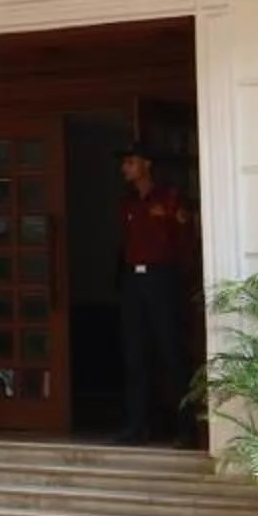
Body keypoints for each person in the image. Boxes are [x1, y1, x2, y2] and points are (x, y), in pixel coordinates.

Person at [114, 145, 193, 445]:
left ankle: (185, 428)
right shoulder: (127, 204)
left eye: (130, 162)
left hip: (163, 278)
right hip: (134, 280)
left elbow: (184, 240)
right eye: (125, 163)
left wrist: (181, 278)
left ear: (147, 163)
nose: (125, 168)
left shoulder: (169, 198)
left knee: (171, 352)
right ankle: (137, 426)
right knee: (135, 354)